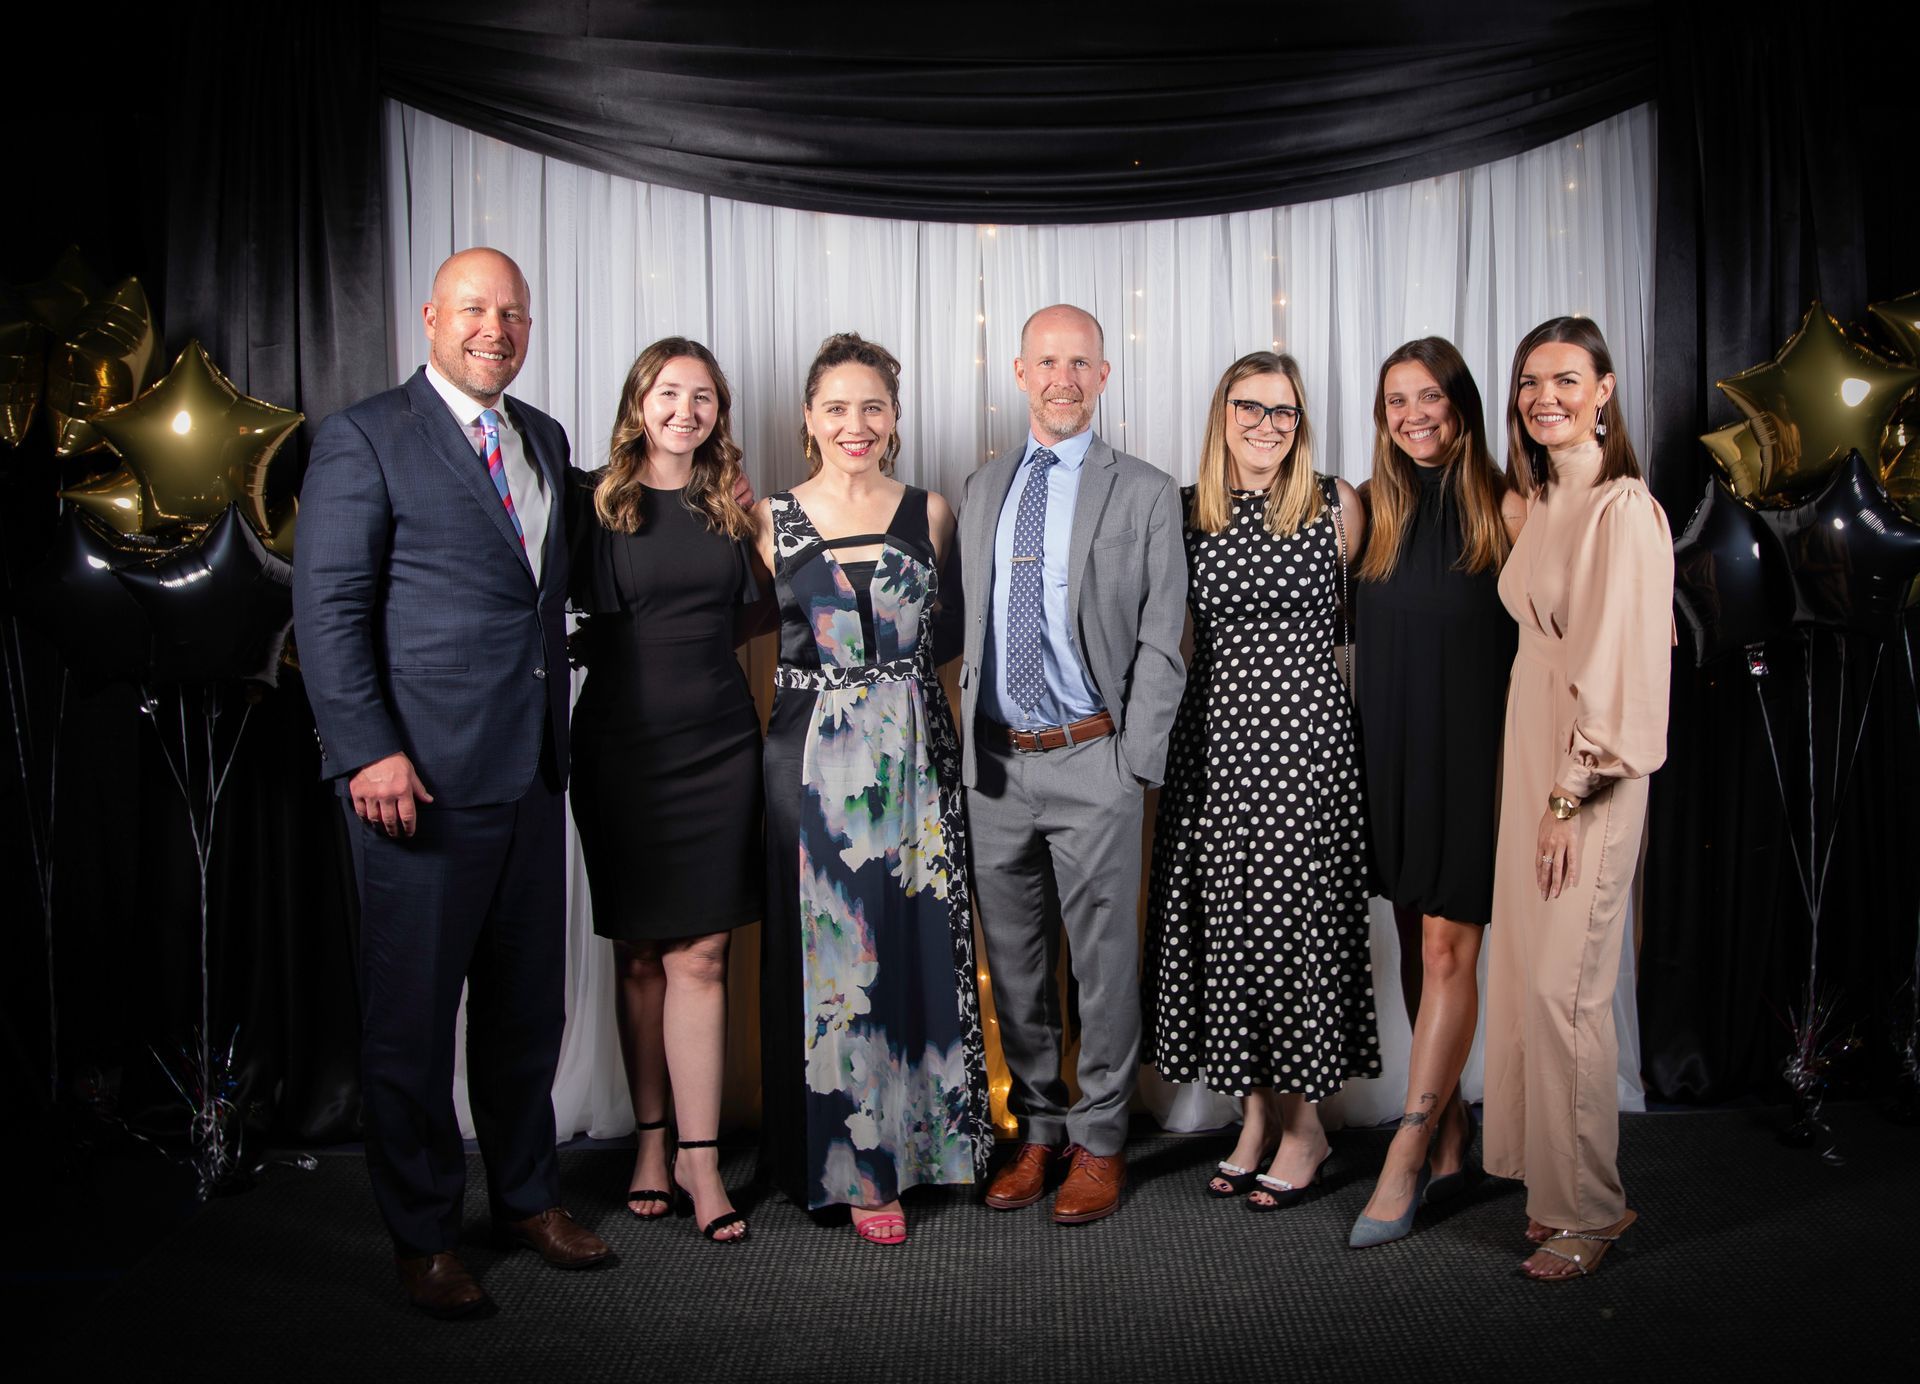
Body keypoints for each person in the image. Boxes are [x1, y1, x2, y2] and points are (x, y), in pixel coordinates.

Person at [293, 248, 610, 1319]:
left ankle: (526, 1195)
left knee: (526, 1012)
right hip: (413, 783)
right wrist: (367, 748)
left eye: (513, 312)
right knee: (413, 1025)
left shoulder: (544, 439)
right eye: (474, 308)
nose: (495, 327)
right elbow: (328, 612)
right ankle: (424, 1233)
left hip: (529, 775)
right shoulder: (363, 437)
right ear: (430, 316)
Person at [753, 332, 990, 1244]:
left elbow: (954, 645)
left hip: (916, 753)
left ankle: (929, 1147)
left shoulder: (929, 512)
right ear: (809, 419)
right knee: (836, 964)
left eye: (873, 408)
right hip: (810, 761)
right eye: (837, 408)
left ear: (894, 419)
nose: (856, 425)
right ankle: (855, 1168)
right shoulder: (767, 518)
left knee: (919, 944)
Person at [961, 304, 1187, 1225]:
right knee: (1014, 965)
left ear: (1103, 376)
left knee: (1101, 965)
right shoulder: (979, 488)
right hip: (998, 767)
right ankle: (1040, 1133)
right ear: (1021, 372)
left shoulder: (1144, 489)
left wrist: (1135, 763)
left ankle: (1100, 1143)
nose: (1062, 378)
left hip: (1094, 758)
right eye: (1046, 362)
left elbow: (1165, 639)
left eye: (1079, 363)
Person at [1141, 350, 1377, 1215]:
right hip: (1214, 747)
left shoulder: (1334, 504)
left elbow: (1377, 618)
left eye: (1284, 412)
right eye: (1251, 408)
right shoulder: (1185, 512)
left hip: (1306, 747)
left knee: (1294, 930)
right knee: (1230, 933)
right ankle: (1251, 1119)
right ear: (1222, 413)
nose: (1267, 426)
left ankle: (1308, 1125)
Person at [1485, 316, 1673, 1281]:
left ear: (1604, 390)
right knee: (1527, 977)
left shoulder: (1622, 510)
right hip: (1529, 762)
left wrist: (1569, 796)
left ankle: (1593, 1210)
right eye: (1528, 381)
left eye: (1565, 379)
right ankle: (1551, 1189)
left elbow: (1626, 670)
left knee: (1568, 993)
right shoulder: (1541, 502)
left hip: (1584, 773)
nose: (1543, 396)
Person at [564, 338, 762, 1243]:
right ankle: (650, 1143)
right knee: (640, 955)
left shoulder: (735, 509)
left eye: (704, 397)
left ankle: (700, 1158)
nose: (686, 410)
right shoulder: (590, 502)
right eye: (669, 393)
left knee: (703, 957)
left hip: (719, 749)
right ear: (638, 399)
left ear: (719, 411)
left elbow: (775, 612)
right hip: (621, 750)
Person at [1346, 338, 1527, 1247]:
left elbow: (1563, 643)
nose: (1414, 415)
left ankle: (1407, 1156)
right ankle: (1454, 1127)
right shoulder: (1366, 512)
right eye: (1395, 401)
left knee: (1453, 950)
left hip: (1474, 763)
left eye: (1431, 398)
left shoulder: (1510, 509)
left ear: (1462, 404)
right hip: (1388, 758)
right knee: (1417, 939)